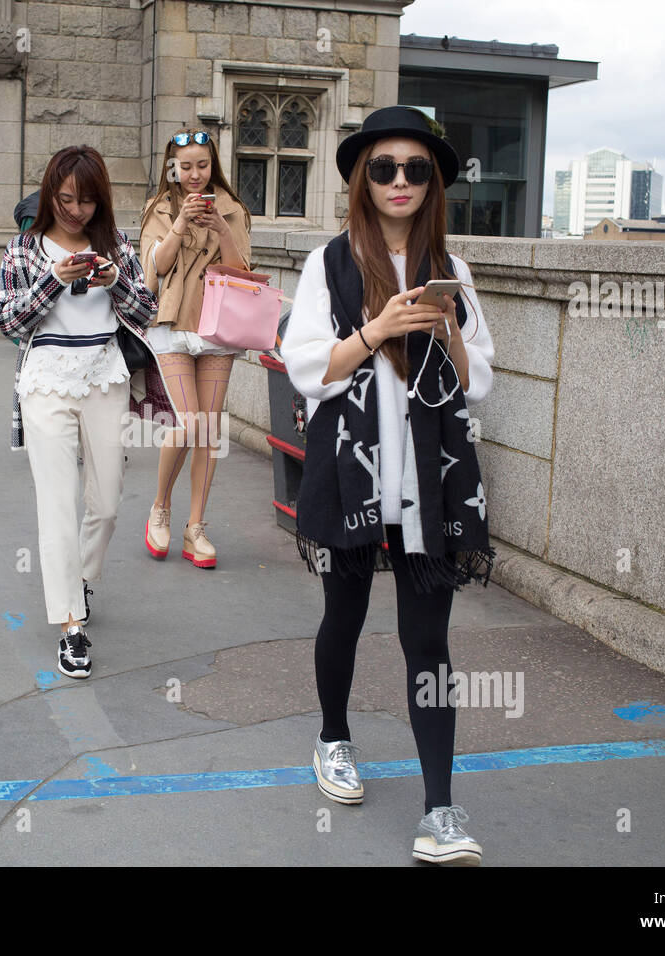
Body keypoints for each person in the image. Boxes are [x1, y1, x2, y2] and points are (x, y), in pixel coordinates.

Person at [280, 106, 496, 865]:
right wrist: (374, 331)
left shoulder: (454, 270)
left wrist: (443, 332)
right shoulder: (329, 263)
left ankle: (441, 807)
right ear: (360, 180)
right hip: (352, 474)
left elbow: (479, 382)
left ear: (432, 180)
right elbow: (306, 366)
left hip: (431, 481)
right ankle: (333, 736)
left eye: (415, 169)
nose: (399, 181)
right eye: (383, 167)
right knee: (344, 613)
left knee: (428, 639)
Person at [0, 145, 172, 680]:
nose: (76, 211)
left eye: (88, 201)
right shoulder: (24, 249)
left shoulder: (116, 244)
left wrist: (114, 282)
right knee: (57, 504)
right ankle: (72, 625)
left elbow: (149, 311)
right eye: (67, 199)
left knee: (108, 502)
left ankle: (82, 577)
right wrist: (54, 279)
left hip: (104, 377)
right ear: (50, 193)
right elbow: (7, 322)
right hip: (46, 381)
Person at [138, 129, 252, 569]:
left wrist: (222, 227)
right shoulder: (159, 208)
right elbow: (155, 270)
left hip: (219, 328)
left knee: (210, 429)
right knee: (188, 423)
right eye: (185, 166)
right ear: (172, 167)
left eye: (202, 165)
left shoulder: (233, 208)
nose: (194, 175)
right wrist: (182, 223)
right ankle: (160, 506)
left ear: (212, 163)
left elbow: (242, 270)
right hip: (172, 324)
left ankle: (196, 528)